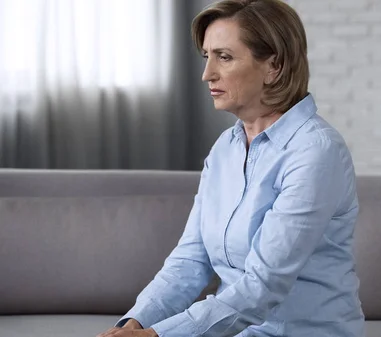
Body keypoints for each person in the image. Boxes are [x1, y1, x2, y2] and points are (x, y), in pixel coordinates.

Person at [97, 0, 364, 336]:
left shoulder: (316, 152)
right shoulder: (226, 147)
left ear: (274, 66)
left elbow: (263, 285)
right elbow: (190, 261)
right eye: (207, 56)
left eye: (224, 57)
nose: (207, 73)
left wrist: (157, 336)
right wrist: (131, 324)